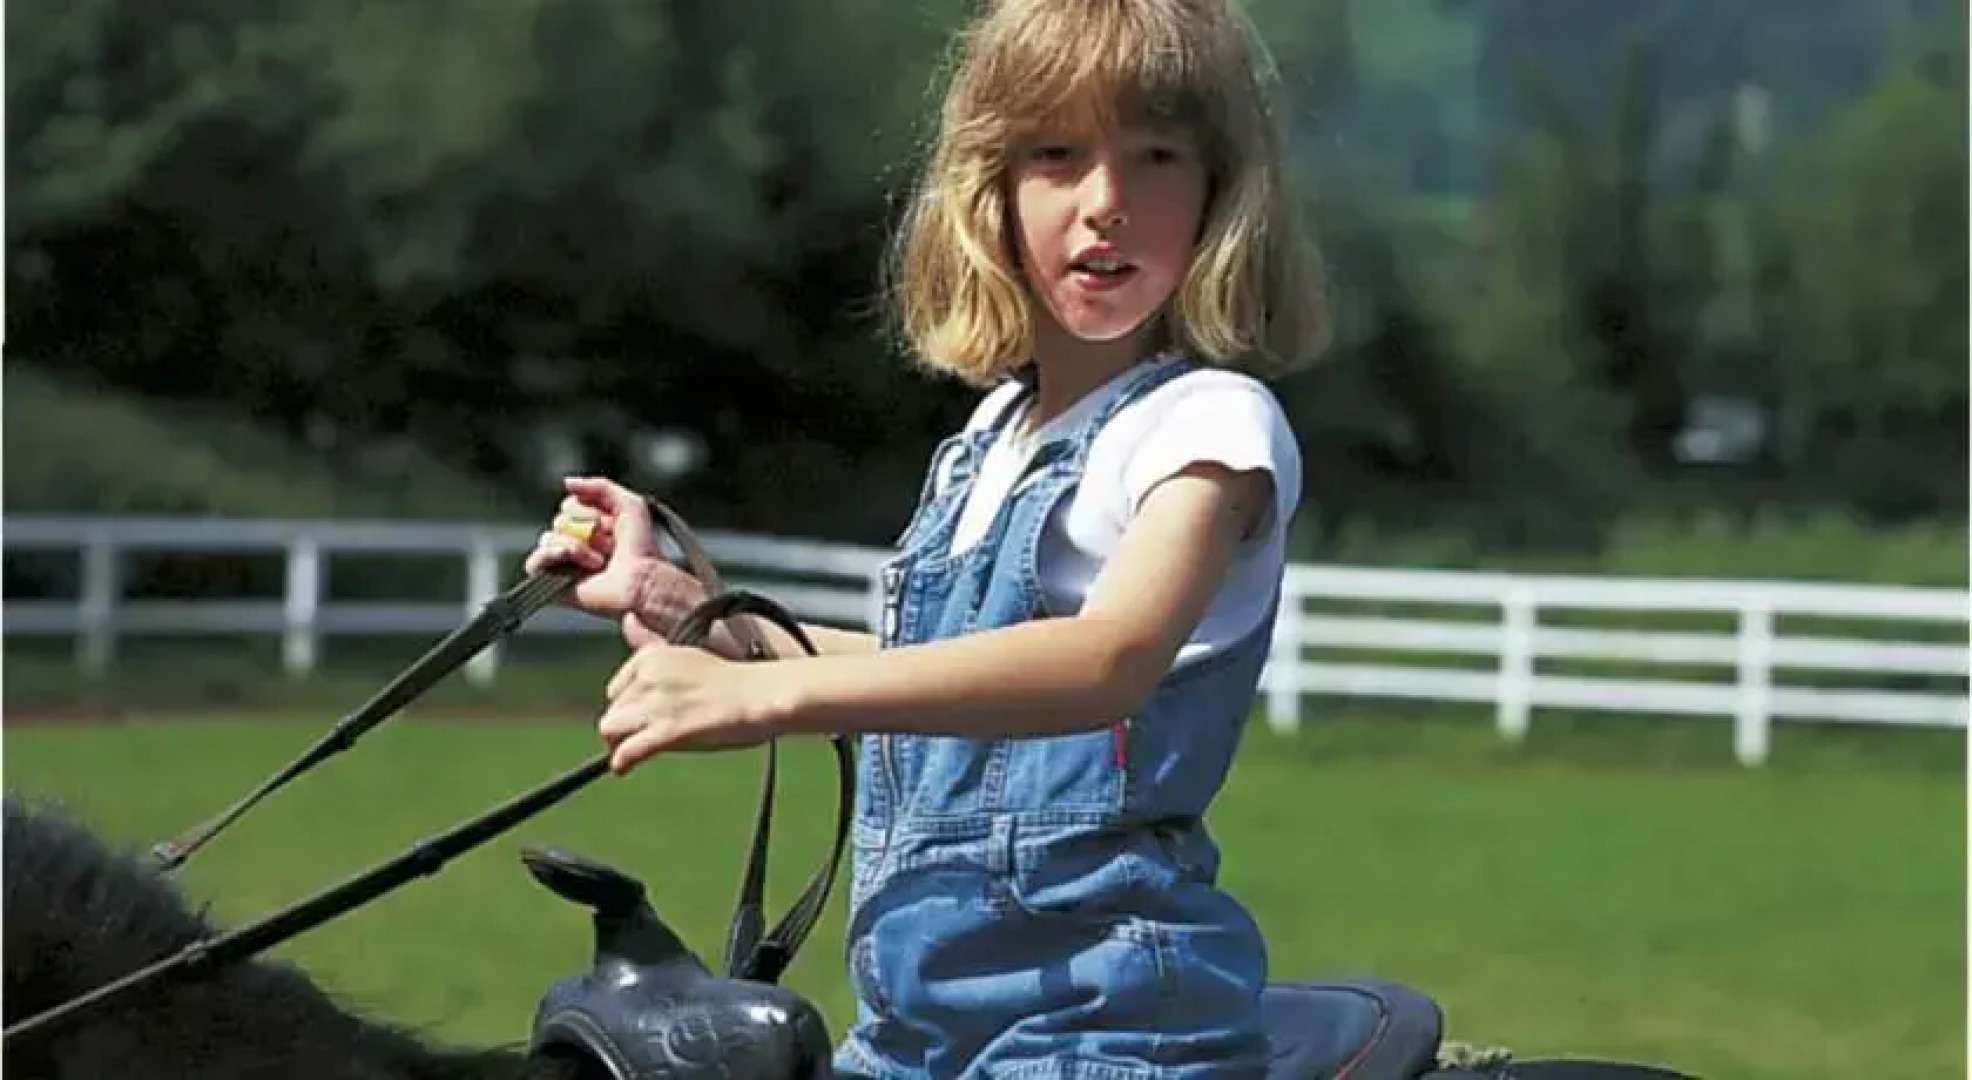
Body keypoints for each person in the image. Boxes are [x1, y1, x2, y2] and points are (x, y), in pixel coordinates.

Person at [524, 0, 1328, 1075]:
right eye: (1056, 155)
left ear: (1220, 192)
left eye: (1155, 158)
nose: (1106, 204)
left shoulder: (1209, 427)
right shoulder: (988, 440)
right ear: (988, 192)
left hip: (1100, 1025)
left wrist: (767, 700)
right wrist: (703, 618)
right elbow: (928, 679)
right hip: (912, 1029)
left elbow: (1103, 662)